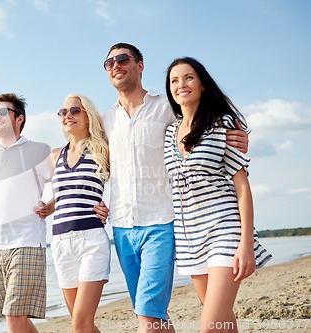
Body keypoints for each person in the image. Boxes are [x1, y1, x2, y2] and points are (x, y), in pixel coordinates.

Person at [101, 42, 249, 333]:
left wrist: (238, 136)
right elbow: (92, 158)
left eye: (122, 59)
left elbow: (203, 125)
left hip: (163, 222)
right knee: (153, 314)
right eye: (109, 63)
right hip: (120, 227)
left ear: (139, 65)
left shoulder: (167, 107)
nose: (116, 65)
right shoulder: (105, 120)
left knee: (148, 316)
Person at [164, 57, 272, 332]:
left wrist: (246, 243)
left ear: (201, 84)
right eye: (174, 80)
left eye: (188, 77)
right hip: (189, 237)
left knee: (209, 325)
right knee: (224, 321)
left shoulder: (222, 124)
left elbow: (242, 186)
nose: (181, 85)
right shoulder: (168, 132)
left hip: (224, 229)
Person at [35, 94, 111, 333]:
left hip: (92, 241)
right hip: (60, 243)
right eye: (63, 112)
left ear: (88, 115)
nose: (67, 115)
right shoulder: (55, 155)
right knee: (82, 324)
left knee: (80, 323)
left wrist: (111, 206)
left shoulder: (103, 149)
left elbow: (127, 183)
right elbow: (62, 190)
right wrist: (49, 206)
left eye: (75, 111)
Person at [0, 93, 51, 333]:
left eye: (2, 112)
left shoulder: (36, 151)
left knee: (13, 316)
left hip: (27, 241)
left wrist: (50, 205)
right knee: (17, 317)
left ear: (19, 119)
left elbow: (60, 182)